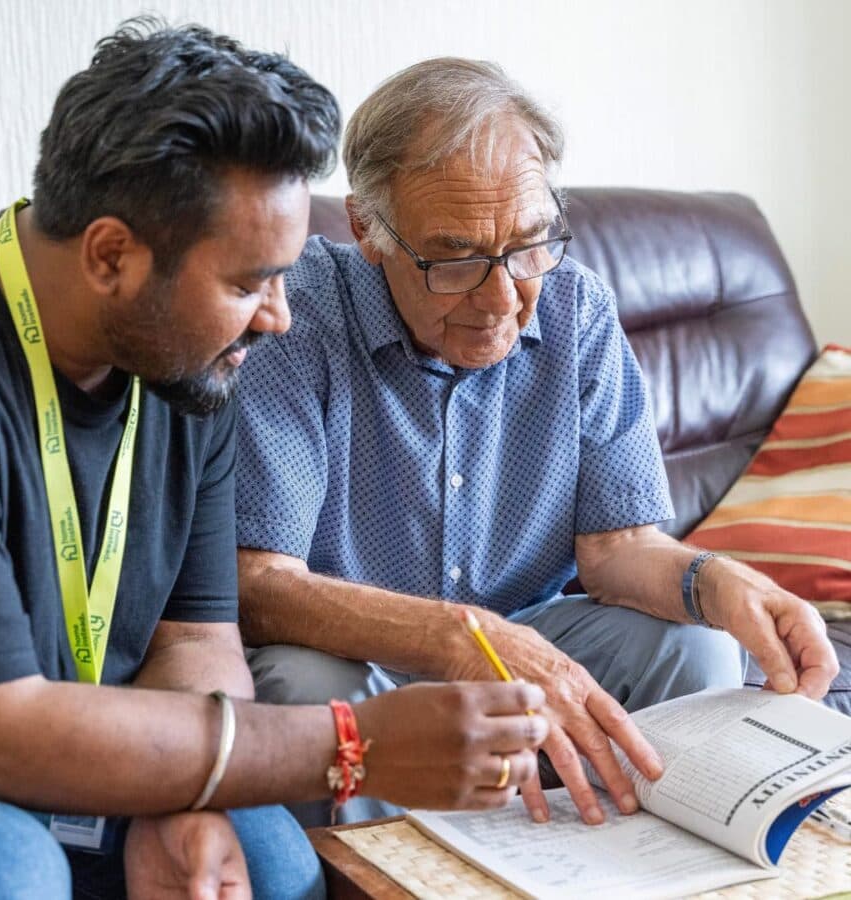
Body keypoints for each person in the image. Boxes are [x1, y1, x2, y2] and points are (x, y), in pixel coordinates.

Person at [0, 28, 552, 900]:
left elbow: (196, 640)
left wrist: (184, 794)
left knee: (272, 862)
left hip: (91, 728)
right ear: (112, 256)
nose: (278, 318)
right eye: (249, 282)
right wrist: (355, 743)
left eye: (286, 277)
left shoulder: (185, 357)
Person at [236, 56, 839, 828]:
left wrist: (717, 582)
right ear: (367, 229)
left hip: (533, 635)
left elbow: (618, 549)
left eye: (528, 245)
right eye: (454, 259)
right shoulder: (298, 317)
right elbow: (262, 585)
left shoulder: (577, 307)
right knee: (303, 681)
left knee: (697, 649)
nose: (502, 299)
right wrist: (469, 639)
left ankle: (631, 869)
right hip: (362, 655)